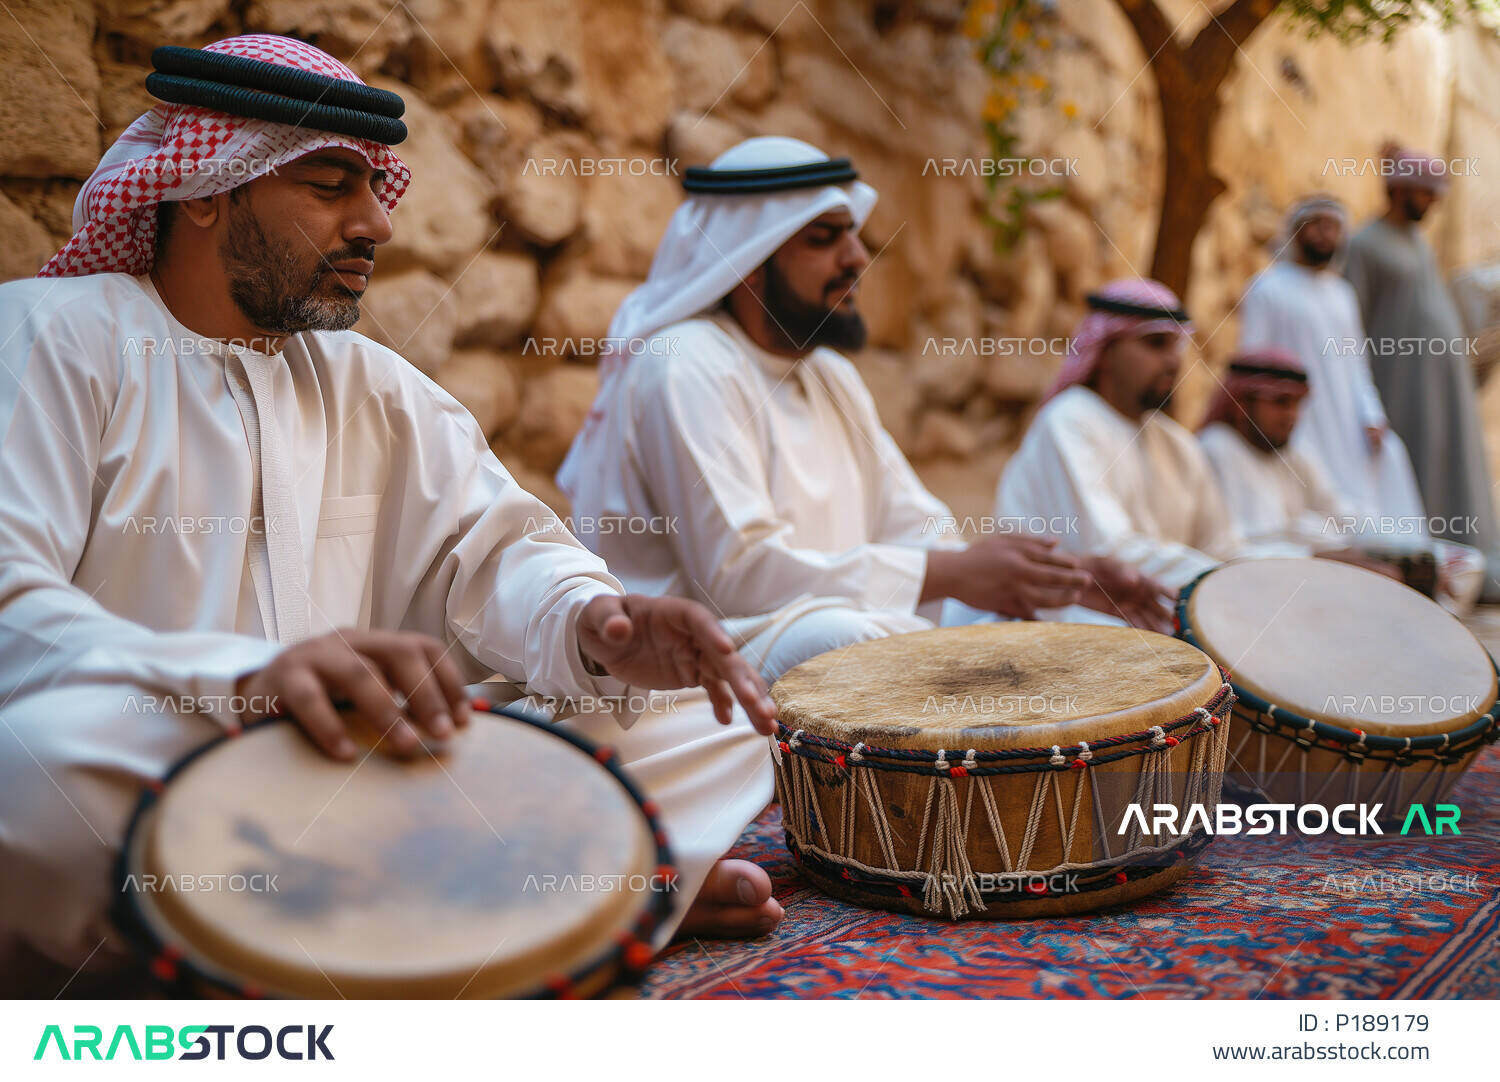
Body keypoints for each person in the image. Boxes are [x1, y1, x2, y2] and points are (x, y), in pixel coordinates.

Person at [0, 35, 781, 993]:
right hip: (183, 766)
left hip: (371, 779)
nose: (376, 223)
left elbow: (494, 548)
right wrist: (246, 681)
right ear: (204, 187)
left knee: (716, 712)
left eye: (375, 187)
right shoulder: (53, 339)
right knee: (33, 767)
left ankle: (486, 901)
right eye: (331, 186)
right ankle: (559, 892)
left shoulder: (367, 381)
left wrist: (596, 625)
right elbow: (11, 610)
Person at [556, 137, 1168, 685]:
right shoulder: (684, 361)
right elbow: (738, 578)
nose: (856, 259)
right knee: (854, 644)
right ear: (746, 262)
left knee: (1046, 624)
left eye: (853, 236)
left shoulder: (830, 375)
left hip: (845, 620)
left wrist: (1050, 578)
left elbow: (917, 527)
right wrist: (949, 574)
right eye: (823, 239)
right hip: (705, 657)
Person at [996, 279, 1244, 591]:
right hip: (1068, 616)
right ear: (1105, 350)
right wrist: (1226, 579)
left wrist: (1271, 571)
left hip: (1163, 607)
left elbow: (1222, 546)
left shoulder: (1176, 442)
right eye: (1155, 344)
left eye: (1175, 345)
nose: (1172, 361)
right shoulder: (1069, 422)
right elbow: (1110, 553)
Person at [1197, 349, 1483, 612]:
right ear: (1241, 402)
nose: (1291, 416)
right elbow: (1236, 552)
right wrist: (1329, 558)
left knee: (1463, 563)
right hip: (1278, 577)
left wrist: (1409, 551)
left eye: (1297, 403)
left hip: (1330, 560)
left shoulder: (1294, 451)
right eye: (1280, 402)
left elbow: (1342, 515)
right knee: (1376, 588)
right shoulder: (1219, 449)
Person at [1343, 144, 1500, 596]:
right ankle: (1424, 568)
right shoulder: (1365, 245)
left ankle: (1465, 566)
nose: (1430, 203)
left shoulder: (1417, 242)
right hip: (1401, 384)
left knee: (1451, 463)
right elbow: (1356, 320)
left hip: (1441, 384)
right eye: (1424, 194)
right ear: (1399, 190)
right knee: (1418, 465)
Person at [1236, 195, 1426, 528]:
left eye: (1333, 227)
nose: (1325, 234)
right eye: (1317, 225)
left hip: (1345, 418)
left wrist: (1372, 412)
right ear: (1296, 232)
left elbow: (1357, 363)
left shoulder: (1343, 294)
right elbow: (1253, 360)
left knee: (1367, 492)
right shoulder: (1267, 289)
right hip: (1296, 417)